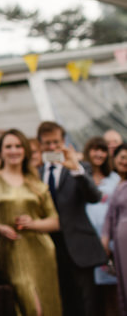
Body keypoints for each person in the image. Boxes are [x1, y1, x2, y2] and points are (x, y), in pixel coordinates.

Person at [0, 129, 62, 316]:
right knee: (30, 305)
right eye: (8, 146)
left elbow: (55, 221)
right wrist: (0, 227)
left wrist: (33, 224)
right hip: (10, 250)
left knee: (47, 304)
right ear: (1, 151)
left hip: (41, 250)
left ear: (25, 150)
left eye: (18, 146)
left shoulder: (37, 183)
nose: (13, 150)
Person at [37, 121, 106, 316]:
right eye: (47, 143)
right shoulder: (37, 173)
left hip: (79, 246)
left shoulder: (80, 168)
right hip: (50, 247)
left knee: (88, 303)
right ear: (40, 145)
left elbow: (94, 197)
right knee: (64, 302)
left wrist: (76, 169)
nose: (52, 147)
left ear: (64, 142)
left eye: (56, 143)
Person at [83, 137, 120, 315]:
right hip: (87, 241)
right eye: (95, 149)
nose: (99, 154)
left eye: (103, 150)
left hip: (112, 240)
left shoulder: (115, 179)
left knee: (113, 291)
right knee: (91, 295)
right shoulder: (81, 178)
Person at [102, 143, 127, 316]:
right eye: (122, 157)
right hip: (120, 246)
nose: (125, 161)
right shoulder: (118, 184)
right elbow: (110, 216)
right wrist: (105, 239)